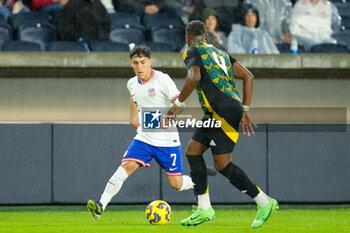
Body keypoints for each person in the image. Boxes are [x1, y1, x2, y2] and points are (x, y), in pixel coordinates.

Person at [168, 20, 278, 228]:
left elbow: (194, 76)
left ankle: (263, 202)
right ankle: (204, 207)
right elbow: (248, 76)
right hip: (224, 110)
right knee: (194, 151)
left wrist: (178, 103)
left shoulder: (191, 50)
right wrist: (245, 109)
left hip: (222, 112)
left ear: (187, 39)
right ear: (207, 36)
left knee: (222, 164)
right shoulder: (221, 54)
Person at [87, 45, 195, 219]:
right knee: (125, 167)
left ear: (150, 62)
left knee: (176, 184)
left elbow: (180, 104)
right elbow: (135, 97)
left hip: (167, 140)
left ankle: (198, 181)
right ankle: (100, 206)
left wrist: (168, 116)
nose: (139, 67)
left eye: (143, 62)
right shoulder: (131, 83)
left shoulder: (162, 79)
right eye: (135, 63)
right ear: (131, 63)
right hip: (144, 137)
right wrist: (133, 119)